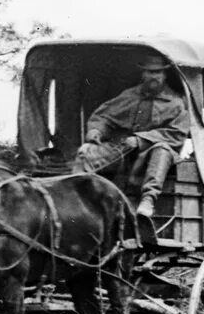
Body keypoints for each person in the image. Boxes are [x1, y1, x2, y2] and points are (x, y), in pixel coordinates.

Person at [76, 57, 190, 218]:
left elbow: (177, 134)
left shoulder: (176, 103)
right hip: (124, 150)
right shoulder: (130, 95)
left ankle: (148, 200)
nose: (153, 76)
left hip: (156, 156)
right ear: (143, 74)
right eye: (149, 72)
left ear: (165, 75)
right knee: (87, 151)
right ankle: (78, 198)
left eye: (157, 72)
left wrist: (140, 140)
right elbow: (104, 116)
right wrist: (96, 130)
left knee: (161, 150)